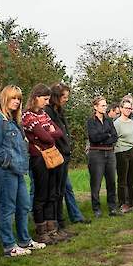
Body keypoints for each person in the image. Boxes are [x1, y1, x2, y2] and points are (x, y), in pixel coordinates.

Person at [0, 85, 40, 256]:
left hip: (16, 170)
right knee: (6, 208)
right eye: (13, 98)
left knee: (23, 206)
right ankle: (9, 245)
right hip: (4, 171)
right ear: (4, 99)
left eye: (18, 99)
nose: (16, 101)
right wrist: (8, 162)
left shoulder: (13, 121)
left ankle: (24, 240)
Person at [21, 84, 68, 245]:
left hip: (51, 157)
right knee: (41, 194)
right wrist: (47, 133)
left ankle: (52, 228)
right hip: (39, 158)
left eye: (48, 99)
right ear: (36, 97)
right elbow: (48, 137)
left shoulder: (43, 115)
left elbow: (58, 132)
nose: (47, 103)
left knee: (52, 193)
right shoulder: (27, 116)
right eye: (45, 99)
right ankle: (41, 231)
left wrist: (46, 133)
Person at [44, 84, 89, 226]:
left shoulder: (60, 111)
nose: (66, 99)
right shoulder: (48, 112)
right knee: (56, 190)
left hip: (64, 153)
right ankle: (57, 221)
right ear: (56, 97)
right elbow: (53, 134)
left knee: (64, 188)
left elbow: (63, 131)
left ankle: (68, 218)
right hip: (56, 156)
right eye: (64, 97)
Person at [86, 96, 120, 218]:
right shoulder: (91, 121)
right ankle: (96, 208)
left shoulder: (109, 120)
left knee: (111, 181)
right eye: (102, 105)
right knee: (96, 183)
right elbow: (93, 138)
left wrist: (103, 137)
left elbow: (115, 136)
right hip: (96, 154)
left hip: (110, 153)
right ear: (95, 107)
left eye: (106, 105)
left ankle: (112, 207)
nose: (105, 108)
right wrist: (107, 134)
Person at [114, 98, 133, 212]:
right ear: (121, 109)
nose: (128, 110)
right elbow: (115, 139)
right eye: (126, 108)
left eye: (130, 108)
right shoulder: (117, 123)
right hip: (121, 152)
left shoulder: (132, 123)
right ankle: (123, 203)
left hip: (132, 151)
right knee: (122, 179)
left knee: (131, 179)